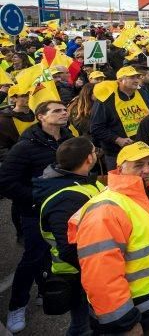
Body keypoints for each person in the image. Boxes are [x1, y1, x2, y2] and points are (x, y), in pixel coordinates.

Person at [69, 142, 149, 335]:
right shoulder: (105, 211)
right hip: (138, 314)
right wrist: (125, 323)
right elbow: (101, 278)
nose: (147, 170)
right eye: (138, 165)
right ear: (120, 168)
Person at [0, 100, 73, 333]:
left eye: (64, 110)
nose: (64, 113)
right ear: (41, 116)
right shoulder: (25, 146)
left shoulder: (68, 137)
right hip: (35, 212)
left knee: (58, 254)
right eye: (57, 111)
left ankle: (47, 289)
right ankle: (17, 305)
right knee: (33, 257)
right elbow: (6, 182)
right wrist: (35, 198)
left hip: (64, 210)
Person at [33, 137, 102, 336]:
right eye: (94, 150)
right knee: (83, 326)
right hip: (77, 274)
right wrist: (98, 271)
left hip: (85, 268)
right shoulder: (65, 198)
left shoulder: (79, 181)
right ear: (89, 158)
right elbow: (67, 247)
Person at [90, 66, 149, 171]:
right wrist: (117, 139)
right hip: (116, 153)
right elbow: (96, 128)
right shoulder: (106, 99)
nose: (136, 80)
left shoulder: (143, 94)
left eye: (137, 77)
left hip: (143, 149)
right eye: (131, 77)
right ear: (120, 80)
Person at [0, 86, 35, 162]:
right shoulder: (4, 120)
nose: (29, 98)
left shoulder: (39, 116)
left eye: (30, 94)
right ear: (13, 99)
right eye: (24, 95)